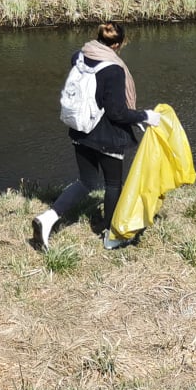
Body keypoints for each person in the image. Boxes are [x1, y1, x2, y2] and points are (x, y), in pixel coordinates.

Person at [32, 22, 159, 251]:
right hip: (106, 137)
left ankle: (47, 219)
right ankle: (112, 235)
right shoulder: (114, 70)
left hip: (80, 130)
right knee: (113, 184)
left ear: (98, 37)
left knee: (87, 181)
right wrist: (144, 116)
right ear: (118, 45)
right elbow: (117, 113)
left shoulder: (78, 56)